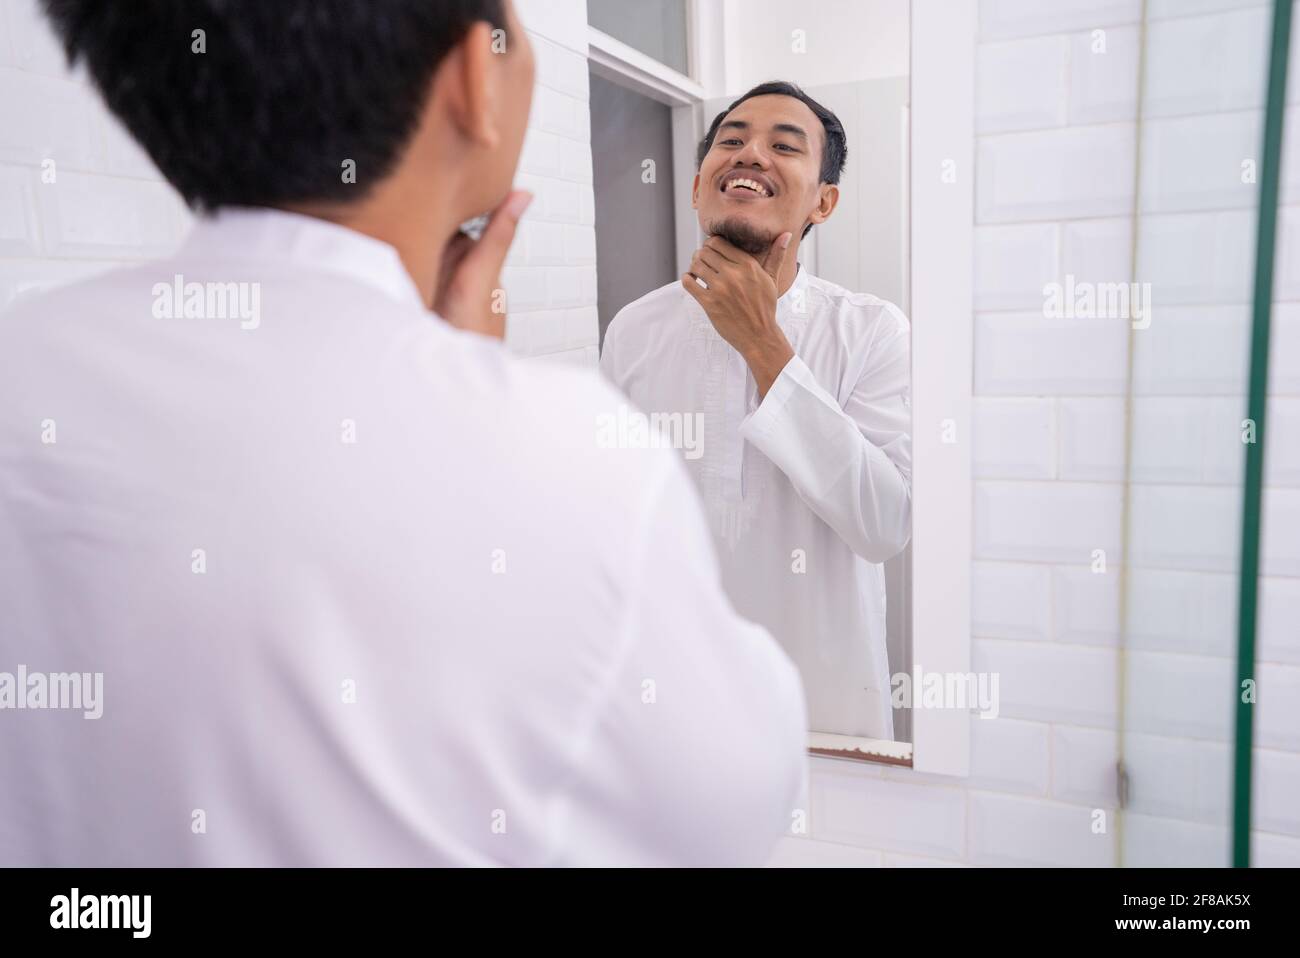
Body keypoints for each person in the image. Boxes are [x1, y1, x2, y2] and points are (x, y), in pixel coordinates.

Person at [0, 0, 807, 866]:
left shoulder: (23, 359)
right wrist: (465, 400)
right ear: (473, 78)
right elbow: (729, 808)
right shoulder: (573, 456)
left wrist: (445, 383)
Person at [601, 82, 912, 740]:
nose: (750, 155)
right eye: (732, 141)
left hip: (825, 723)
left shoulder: (873, 332)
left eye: (783, 146)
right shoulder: (634, 329)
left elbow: (884, 524)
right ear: (697, 187)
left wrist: (763, 346)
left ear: (823, 203)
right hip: (671, 715)